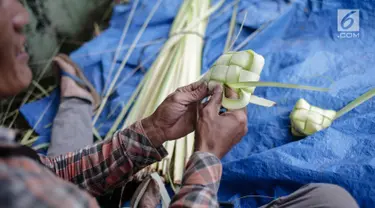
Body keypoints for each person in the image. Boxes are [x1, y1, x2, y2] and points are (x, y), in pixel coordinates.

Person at [0, 0, 360, 207]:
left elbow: (49, 171)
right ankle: (76, 102)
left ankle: (76, 100)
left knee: (331, 199)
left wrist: (152, 130)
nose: (22, 16)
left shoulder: (12, 160)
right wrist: (208, 158)